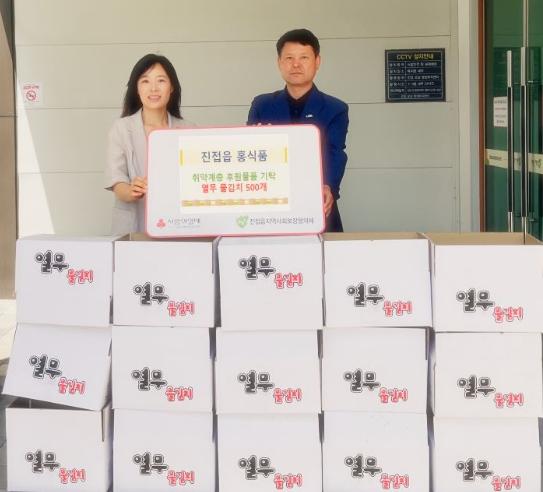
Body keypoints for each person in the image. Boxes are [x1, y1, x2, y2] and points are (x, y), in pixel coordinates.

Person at [247, 28, 349, 232]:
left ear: (317, 62)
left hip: (315, 201)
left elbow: (335, 152)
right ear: (279, 62)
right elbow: (249, 151)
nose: (296, 64)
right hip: (271, 204)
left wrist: (328, 186)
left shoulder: (335, 108)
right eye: (289, 58)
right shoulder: (262, 105)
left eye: (304, 57)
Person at [104, 54, 190, 234]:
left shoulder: (188, 129)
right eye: (145, 81)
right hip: (132, 227)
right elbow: (116, 181)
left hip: (176, 225)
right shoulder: (121, 129)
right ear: (136, 88)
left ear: (172, 87)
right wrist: (131, 191)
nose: (153, 88)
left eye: (161, 80)